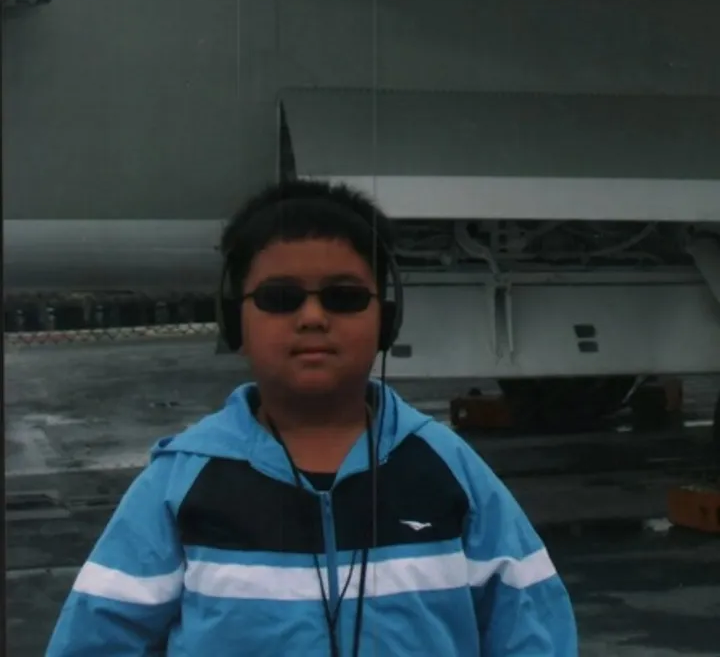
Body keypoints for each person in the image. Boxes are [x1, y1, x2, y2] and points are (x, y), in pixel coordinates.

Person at [46, 179, 578, 656]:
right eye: (280, 298)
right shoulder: (181, 482)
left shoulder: (449, 470)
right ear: (233, 317)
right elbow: (98, 636)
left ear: (387, 316)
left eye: (344, 297)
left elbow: (532, 629)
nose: (313, 317)